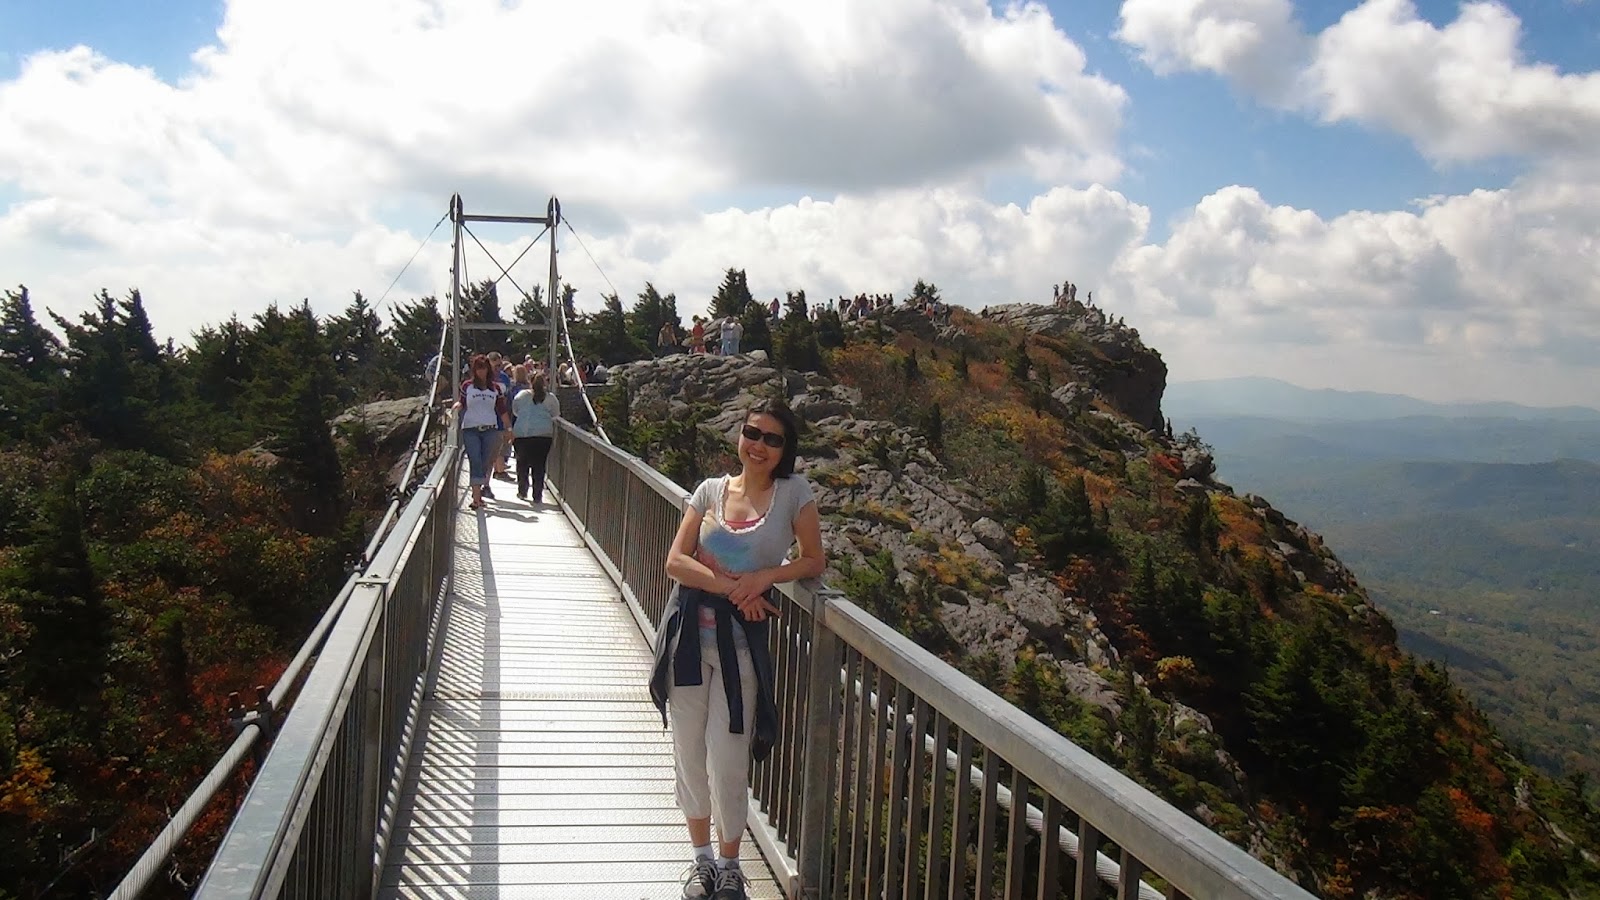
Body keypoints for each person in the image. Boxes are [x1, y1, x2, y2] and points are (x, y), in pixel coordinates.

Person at [650, 400, 825, 900]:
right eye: (754, 433)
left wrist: (765, 577)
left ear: (785, 449)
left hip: (740, 649)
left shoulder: (794, 494)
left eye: (773, 439)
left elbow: (813, 559)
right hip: (688, 639)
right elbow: (675, 562)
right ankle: (702, 861)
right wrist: (735, 589)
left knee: (728, 758)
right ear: (739, 436)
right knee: (688, 752)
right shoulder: (709, 491)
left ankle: (730, 864)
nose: (760, 445)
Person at [456, 354, 510, 511]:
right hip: (471, 429)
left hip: (490, 430)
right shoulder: (467, 386)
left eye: (484, 368)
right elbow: (462, 401)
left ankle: (478, 493)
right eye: (478, 368)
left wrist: (509, 429)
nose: (481, 372)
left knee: (486, 461)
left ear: (488, 369)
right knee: (475, 460)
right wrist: (457, 406)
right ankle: (476, 497)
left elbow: (502, 409)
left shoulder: (495, 389)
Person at [511, 371, 560, 503]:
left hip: (523, 434)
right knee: (539, 464)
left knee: (522, 463)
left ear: (529, 382)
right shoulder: (551, 398)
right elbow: (555, 414)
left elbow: (515, 411)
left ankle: (522, 491)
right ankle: (537, 494)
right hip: (543, 435)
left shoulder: (521, 396)